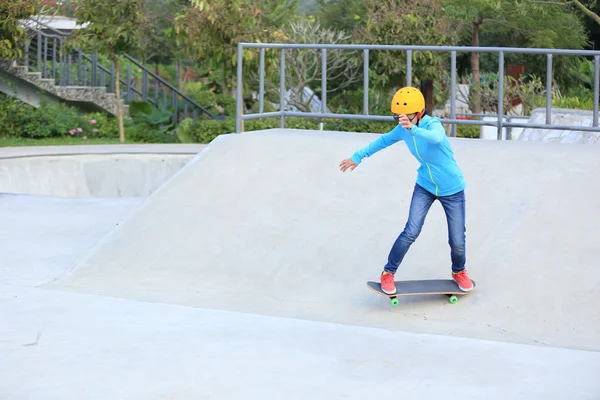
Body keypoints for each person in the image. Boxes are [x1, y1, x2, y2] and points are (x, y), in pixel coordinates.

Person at [339, 86, 473, 294]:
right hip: (425, 186)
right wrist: (358, 156)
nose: (402, 121)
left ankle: (459, 271)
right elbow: (383, 141)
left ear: (418, 113)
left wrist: (414, 129)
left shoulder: (432, 124)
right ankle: (388, 273)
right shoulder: (403, 129)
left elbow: (436, 138)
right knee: (411, 231)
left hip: (452, 189)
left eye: (406, 117)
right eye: (398, 117)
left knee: (457, 239)